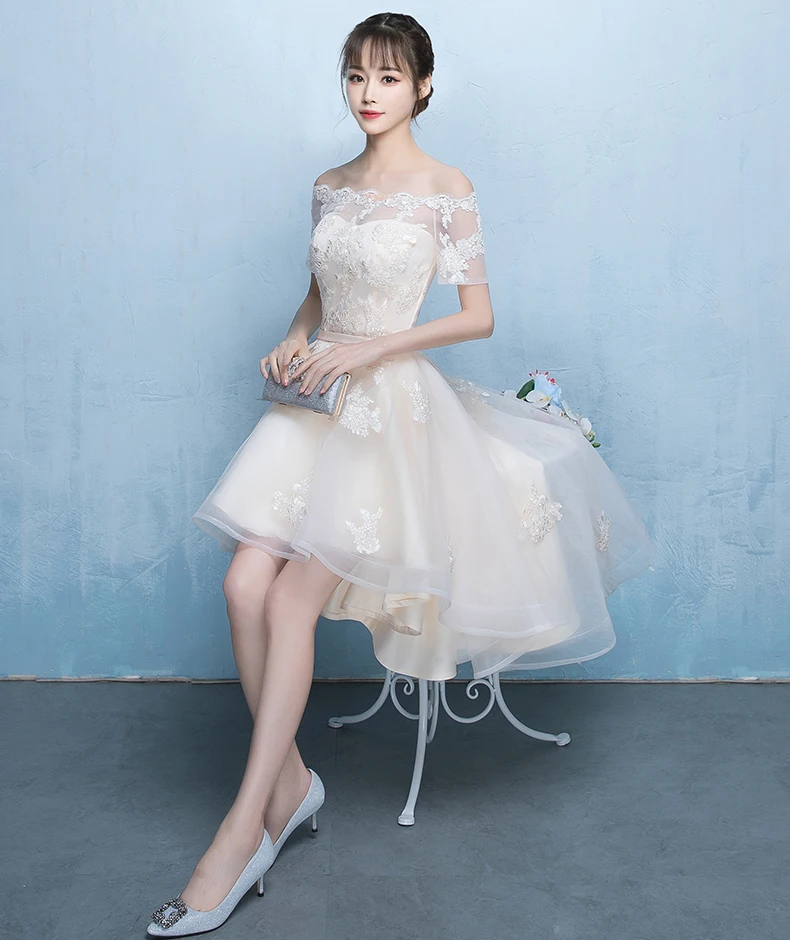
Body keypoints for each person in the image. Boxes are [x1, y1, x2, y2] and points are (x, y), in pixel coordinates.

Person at [147, 11, 654, 937]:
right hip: (315, 403)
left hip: (389, 413)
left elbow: (477, 316)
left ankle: (243, 830)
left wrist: (372, 347)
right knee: (241, 585)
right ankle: (294, 785)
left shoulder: (446, 188)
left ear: (423, 86)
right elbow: (316, 293)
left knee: (291, 600)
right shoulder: (329, 186)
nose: (368, 93)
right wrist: (295, 339)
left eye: (387, 77)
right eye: (355, 76)